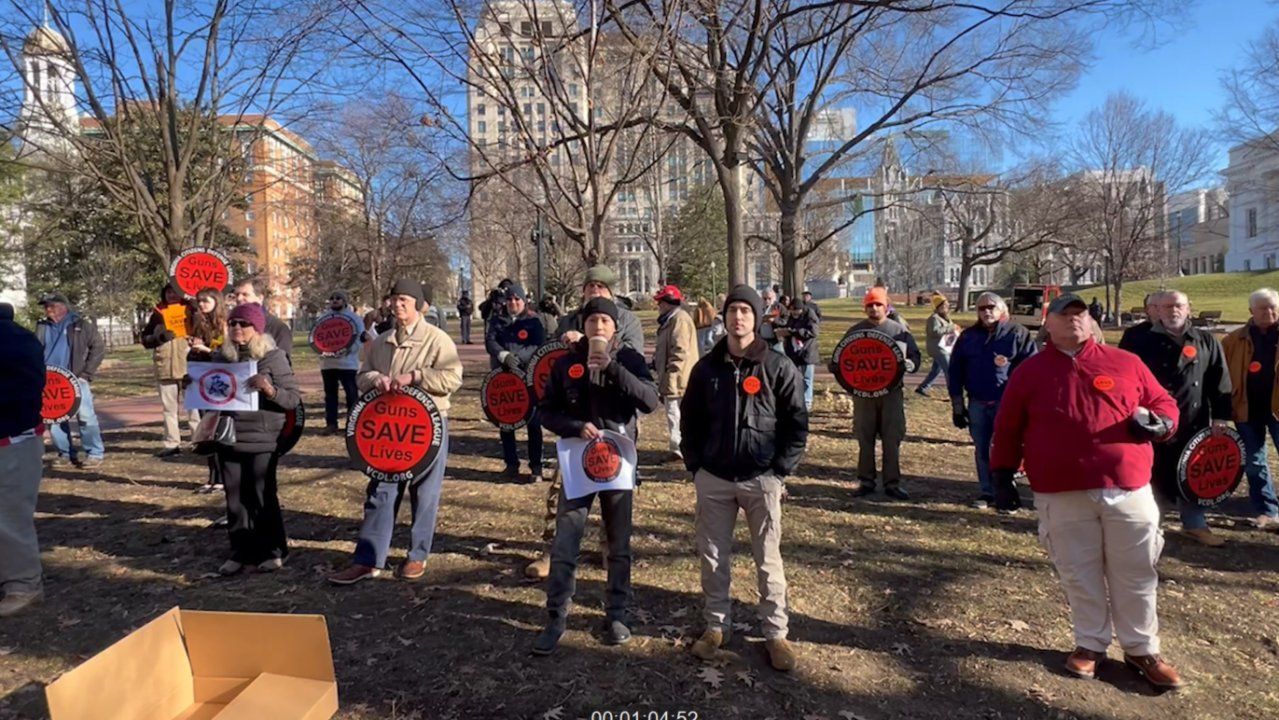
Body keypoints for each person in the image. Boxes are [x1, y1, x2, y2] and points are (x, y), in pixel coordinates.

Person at [990, 293, 1184, 690]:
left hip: (1127, 486)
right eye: (1066, 315)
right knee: (1079, 572)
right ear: (1048, 324)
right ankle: (1090, 644)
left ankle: (1141, 648)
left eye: (1082, 314)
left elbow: (1164, 402)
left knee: (1136, 571)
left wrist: (1162, 424)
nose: (1075, 320)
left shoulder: (1125, 363)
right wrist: (1002, 474)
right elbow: (1008, 426)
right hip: (1061, 491)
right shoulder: (1031, 372)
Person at [681, 285, 809, 672]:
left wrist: (779, 471)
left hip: (761, 478)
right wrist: (696, 466)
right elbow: (690, 421)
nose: (738, 318)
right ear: (724, 316)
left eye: (746, 311)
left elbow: (796, 425)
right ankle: (716, 626)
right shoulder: (706, 368)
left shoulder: (777, 366)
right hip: (715, 478)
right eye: (733, 310)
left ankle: (775, 634)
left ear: (757, 318)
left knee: (768, 559)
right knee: (713, 556)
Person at [533, 297, 659, 654]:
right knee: (566, 542)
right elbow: (545, 411)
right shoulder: (565, 364)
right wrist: (574, 426)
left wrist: (614, 369)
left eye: (605, 321)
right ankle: (556, 616)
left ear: (615, 327)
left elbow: (650, 401)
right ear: (584, 325)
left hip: (617, 467)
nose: (599, 327)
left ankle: (616, 614)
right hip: (577, 465)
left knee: (619, 544)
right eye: (592, 321)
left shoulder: (630, 359)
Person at [328, 279, 464, 585]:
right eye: (394, 299)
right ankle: (368, 559)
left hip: (428, 426)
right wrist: (376, 378)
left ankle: (417, 556)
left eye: (404, 299)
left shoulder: (437, 339)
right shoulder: (381, 341)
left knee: (425, 493)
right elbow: (361, 376)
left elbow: (452, 378)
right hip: (387, 428)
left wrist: (415, 377)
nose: (398, 304)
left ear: (417, 304)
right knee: (380, 491)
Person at [526, 266, 644, 579]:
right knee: (561, 487)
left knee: (612, 488)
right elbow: (551, 359)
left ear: (610, 292)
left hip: (614, 419)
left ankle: (610, 547)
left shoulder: (626, 319)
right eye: (589, 286)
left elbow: (633, 359)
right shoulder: (568, 319)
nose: (594, 291)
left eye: (601, 287)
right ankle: (552, 548)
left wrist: (594, 343)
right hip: (574, 418)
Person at [1120, 290, 1232, 546]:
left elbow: (1220, 380)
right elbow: (1125, 378)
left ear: (1188, 309)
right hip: (1154, 419)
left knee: (1193, 471)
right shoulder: (1138, 338)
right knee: (1154, 471)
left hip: (1195, 419)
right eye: (1167, 306)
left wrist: (1222, 417)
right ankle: (1151, 523)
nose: (1173, 311)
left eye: (1178, 305)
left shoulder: (1206, 340)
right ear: (1157, 310)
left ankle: (1194, 523)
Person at [209, 303, 301, 575]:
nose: (237, 328)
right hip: (229, 435)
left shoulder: (273, 358)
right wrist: (196, 386)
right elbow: (210, 397)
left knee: (262, 494)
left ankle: (273, 549)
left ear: (257, 329)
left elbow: (292, 399)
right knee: (234, 497)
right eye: (233, 323)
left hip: (262, 437)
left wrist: (270, 390)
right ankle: (240, 551)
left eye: (244, 324)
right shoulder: (221, 358)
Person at [947, 292, 1037, 509]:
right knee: (981, 448)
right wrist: (958, 406)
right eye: (981, 308)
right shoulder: (968, 337)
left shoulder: (1018, 333)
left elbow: (1032, 369)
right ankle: (987, 492)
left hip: (1006, 404)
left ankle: (1007, 490)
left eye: (991, 307)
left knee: (1008, 448)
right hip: (977, 403)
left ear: (1002, 310)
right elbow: (956, 370)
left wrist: (1025, 403)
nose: (986, 311)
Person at [834, 287, 920, 500]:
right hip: (863, 395)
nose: (874, 308)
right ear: (865, 308)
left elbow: (916, 356)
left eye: (878, 304)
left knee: (892, 439)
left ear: (886, 306)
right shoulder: (855, 332)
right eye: (870, 305)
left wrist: (911, 364)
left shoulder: (899, 330)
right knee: (865, 439)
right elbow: (841, 358)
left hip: (892, 393)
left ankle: (892, 483)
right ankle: (866, 481)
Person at [0, 303, 47, 616]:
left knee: (9, 516)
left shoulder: (13, 340)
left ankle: (24, 585)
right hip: (14, 437)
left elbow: (18, 392)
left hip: (12, 440)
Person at [1221, 287, 1279, 530]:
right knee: (1255, 462)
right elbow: (1221, 377)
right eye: (1262, 308)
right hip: (1246, 409)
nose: (1268, 312)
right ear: (1250, 311)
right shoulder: (1233, 341)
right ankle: (1267, 510)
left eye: (1273, 307)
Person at [36, 292, 105, 468]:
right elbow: (36, 349)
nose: (47, 310)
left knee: (86, 416)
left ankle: (94, 453)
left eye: (51, 305)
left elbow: (98, 347)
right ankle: (65, 453)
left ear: (63, 307)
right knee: (54, 419)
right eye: (46, 306)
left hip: (76, 378)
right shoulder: (42, 326)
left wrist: (86, 374)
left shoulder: (80, 325)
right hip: (50, 380)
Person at [485, 283, 546, 482]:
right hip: (503, 379)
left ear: (524, 301)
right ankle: (511, 465)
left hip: (527, 378)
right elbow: (490, 342)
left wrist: (517, 358)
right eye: (510, 299)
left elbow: (537, 345)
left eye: (517, 299)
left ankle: (536, 467)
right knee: (506, 423)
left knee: (533, 424)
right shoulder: (497, 320)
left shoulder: (533, 321)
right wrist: (503, 355)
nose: (513, 303)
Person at [140, 283, 199, 457]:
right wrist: (158, 338)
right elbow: (146, 339)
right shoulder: (158, 313)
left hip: (188, 366)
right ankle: (172, 444)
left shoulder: (191, 310)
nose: (172, 295)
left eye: (175, 292)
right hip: (165, 366)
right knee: (169, 409)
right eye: (168, 292)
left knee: (194, 408)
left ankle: (198, 441)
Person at [186, 289, 229, 495]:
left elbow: (228, 354)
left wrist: (207, 350)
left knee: (218, 430)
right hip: (200, 378)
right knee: (206, 430)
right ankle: (211, 477)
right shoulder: (198, 323)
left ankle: (222, 478)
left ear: (216, 301)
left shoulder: (225, 324)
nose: (202, 305)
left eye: (206, 301)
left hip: (219, 380)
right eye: (199, 301)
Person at [652, 285, 698, 463]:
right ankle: (679, 446)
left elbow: (680, 351)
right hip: (673, 375)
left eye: (661, 302)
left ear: (669, 302)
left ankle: (679, 448)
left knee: (676, 413)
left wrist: (672, 374)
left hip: (679, 377)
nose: (659, 306)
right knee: (674, 412)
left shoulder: (679, 320)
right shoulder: (671, 320)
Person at [553, 266, 644, 352]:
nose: (595, 289)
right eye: (591, 285)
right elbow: (550, 351)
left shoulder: (628, 320)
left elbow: (634, 353)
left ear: (610, 292)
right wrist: (561, 341)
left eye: (600, 286)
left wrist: (585, 341)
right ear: (584, 291)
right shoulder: (568, 321)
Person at [318, 290, 364, 435]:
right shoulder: (323, 318)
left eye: (338, 298)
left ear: (344, 301)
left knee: (351, 394)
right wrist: (323, 352)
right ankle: (331, 424)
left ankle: (353, 423)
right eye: (332, 298)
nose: (335, 300)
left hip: (348, 364)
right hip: (328, 364)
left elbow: (360, 338)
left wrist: (348, 350)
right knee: (330, 395)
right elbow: (316, 338)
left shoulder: (354, 318)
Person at [232, 277, 292, 364]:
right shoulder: (232, 325)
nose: (239, 298)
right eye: (237, 295)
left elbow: (283, 364)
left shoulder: (278, 327)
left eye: (245, 294)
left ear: (260, 298)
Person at [777, 298, 819, 411]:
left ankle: (807, 401)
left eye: (795, 311)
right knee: (795, 377)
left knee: (807, 378)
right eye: (791, 311)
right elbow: (790, 326)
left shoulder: (810, 316)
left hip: (807, 351)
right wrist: (785, 332)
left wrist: (793, 332)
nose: (793, 313)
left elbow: (813, 332)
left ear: (801, 309)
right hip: (793, 351)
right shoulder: (792, 317)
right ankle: (798, 399)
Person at [916, 294, 956, 397]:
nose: (946, 308)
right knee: (949, 370)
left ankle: (923, 387)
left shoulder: (946, 318)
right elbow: (934, 331)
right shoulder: (934, 318)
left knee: (936, 370)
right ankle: (954, 392)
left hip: (944, 347)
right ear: (938, 307)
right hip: (937, 349)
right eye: (943, 306)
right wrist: (950, 329)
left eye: (947, 306)